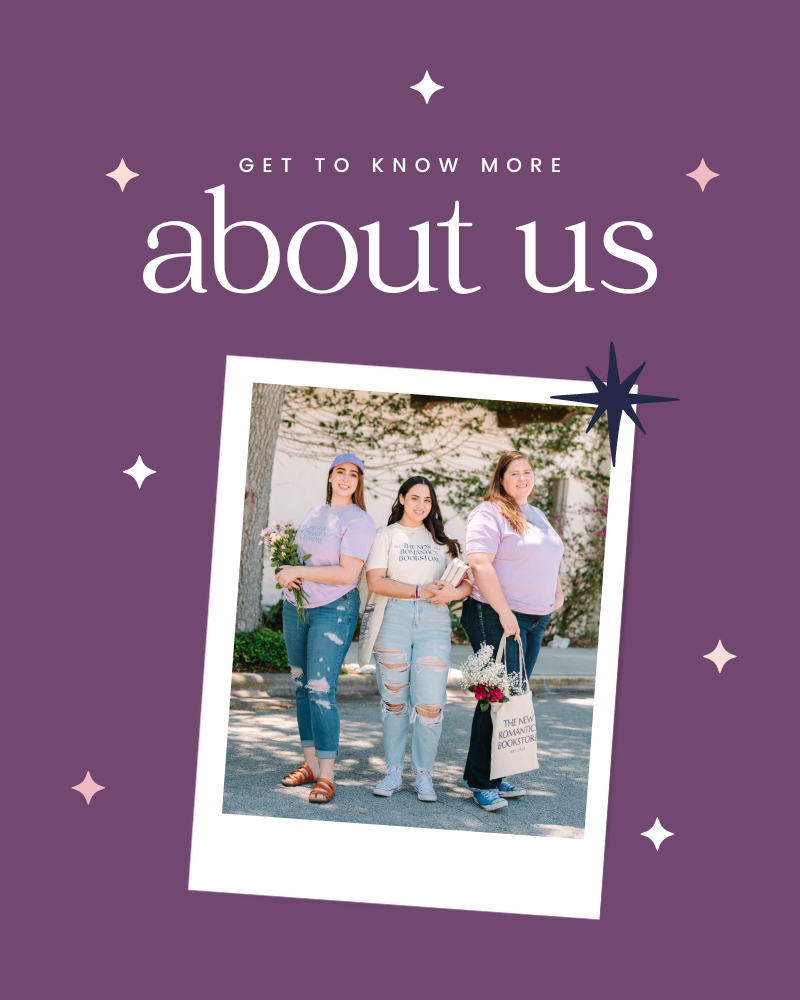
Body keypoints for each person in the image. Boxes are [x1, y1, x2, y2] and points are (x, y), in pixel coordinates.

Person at [460, 452, 564, 811]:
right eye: (514, 473)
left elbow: (546, 557)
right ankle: (480, 781)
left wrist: (556, 593)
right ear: (500, 479)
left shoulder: (534, 513)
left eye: (528, 472)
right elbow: (479, 563)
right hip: (496, 615)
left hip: (535, 619)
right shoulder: (488, 513)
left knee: (512, 697)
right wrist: (505, 613)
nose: (522, 478)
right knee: (497, 697)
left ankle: (495, 770)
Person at [363, 476, 472, 802]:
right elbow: (375, 581)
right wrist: (417, 590)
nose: (421, 505)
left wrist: (454, 593)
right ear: (401, 498)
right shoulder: (385, 536)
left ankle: (425, 776)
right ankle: (393, 772)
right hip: (393, 619)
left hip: (433, 624)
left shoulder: (443, 542)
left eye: (427, 500)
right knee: (394, 702)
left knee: (430, 704)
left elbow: (467, 585)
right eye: (414, 498)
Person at [276, 454, 376, 803]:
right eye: (340, 472)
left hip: (333, 610)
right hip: (297, 606)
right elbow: (303, 557)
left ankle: (328, 776)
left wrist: (297, 572)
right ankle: (310, 765)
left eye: (353, 474)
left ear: (359, 482)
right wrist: (287, 570)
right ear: (331, 477)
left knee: (321, 690)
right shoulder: (316, 513)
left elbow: (348, 574)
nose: (346, 479)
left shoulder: (359, 520)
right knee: (302, 687)